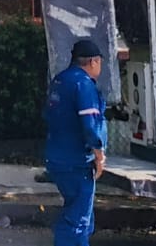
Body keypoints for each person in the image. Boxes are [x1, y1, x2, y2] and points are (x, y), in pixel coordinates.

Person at [44, 38, 108, 246]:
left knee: (80, 216)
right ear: (93, 62)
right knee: (77, 222)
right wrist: (98, 154)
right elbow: (89, 126)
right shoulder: (83, 84)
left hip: (56, 157)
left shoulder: (59, 81)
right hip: (77, 162)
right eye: (99, 62)